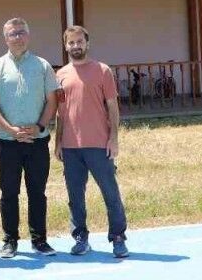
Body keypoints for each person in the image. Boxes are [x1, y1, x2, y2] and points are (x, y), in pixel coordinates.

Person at [0, 17, 59, 258]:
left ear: (28, 35)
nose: (18, 37)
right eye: (13, 34)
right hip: (7, 142)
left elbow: (52, 101)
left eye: (21, 32)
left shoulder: (43, 66)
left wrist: (39, 127)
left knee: (37, 192)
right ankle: (10, 241)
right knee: (9, 193)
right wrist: (11, 130)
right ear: (5, 38)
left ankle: (39, 240)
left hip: (37, 140)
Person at [53, 26, 130, 259]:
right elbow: (60, 113)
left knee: (110, 193)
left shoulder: (102, 71)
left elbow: (113, 107)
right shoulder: (60, 75)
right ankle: (80, 238)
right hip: (70, 147)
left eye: (80, 42)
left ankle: (118, 237)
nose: (76, 46)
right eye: (71, 42)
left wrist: (113, 138)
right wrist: (58, 142)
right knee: (75, 197)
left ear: (87, 43)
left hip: (99, 144)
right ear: (66, 46)